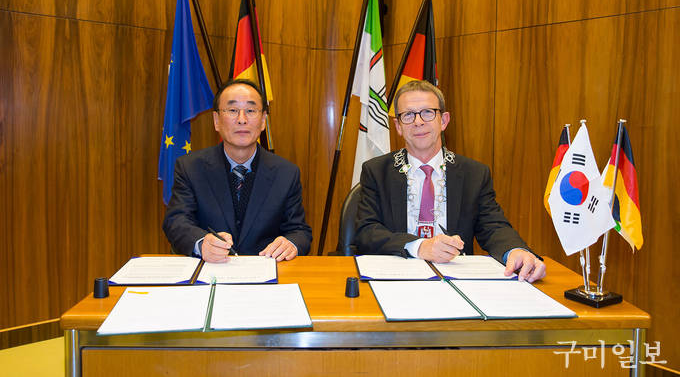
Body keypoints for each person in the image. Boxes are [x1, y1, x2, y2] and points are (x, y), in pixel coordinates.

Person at [354, 80, 546, 282]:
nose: (418, 122)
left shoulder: (474, 174)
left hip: (457, 278)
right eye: (408, 115)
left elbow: (493, 227)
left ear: (444, 121)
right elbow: (366, 231)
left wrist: (515, 251)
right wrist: (419, 246)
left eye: (427, 112)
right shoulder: (376, 171)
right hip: (396, 276)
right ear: (398, 126)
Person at [163, 79, 312, 262]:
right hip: (211, 270)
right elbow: (176, 221)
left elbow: (299, 231)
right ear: (216, 121)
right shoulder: (190, 168)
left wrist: (291, 243)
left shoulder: (286, 173)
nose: (242, 119)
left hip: (265, 272)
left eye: (251, 110)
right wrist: (201, 243)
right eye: (232, 110)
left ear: (263, 121)